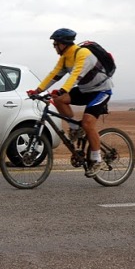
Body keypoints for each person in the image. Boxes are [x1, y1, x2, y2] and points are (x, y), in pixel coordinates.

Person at [27, 28, 113, 178]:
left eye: (56, 43)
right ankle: (75, 129)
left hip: (101, 91)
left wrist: (63, 90)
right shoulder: (65, 58)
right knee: (58, 100)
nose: (54, 46)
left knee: (87, 123)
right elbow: (54, 75)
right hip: (85, 90)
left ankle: (97, 159)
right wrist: (37, 90)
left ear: (64, 43)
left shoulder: (83, 54)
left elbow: (76, 75)